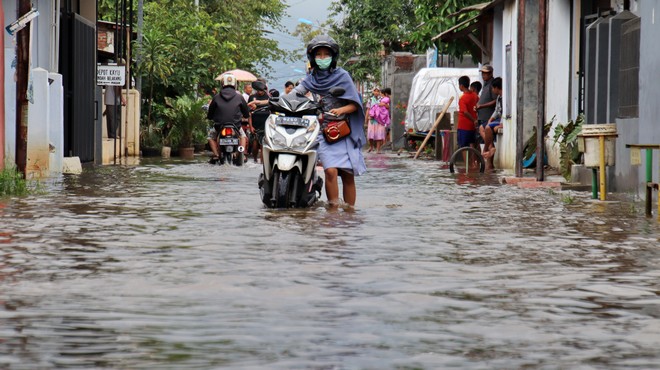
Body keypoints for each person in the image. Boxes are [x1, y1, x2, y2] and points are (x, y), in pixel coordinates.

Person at [292, 35, 366, 207]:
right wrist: (274, 102)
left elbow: (355, 105)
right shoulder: (310, 79)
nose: (323, 58)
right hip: (323, 133)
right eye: (319, 54)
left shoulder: (343, 76)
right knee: (330, 171)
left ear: (333, 57)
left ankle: (349, 213)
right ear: (313, 57)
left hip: (343, 132)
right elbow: (295, 93)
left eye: (327, 54)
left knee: (348, 174)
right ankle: (332, 210)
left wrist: (341, 109)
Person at [206, 73, 250, 163]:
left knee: (210, 137)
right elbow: (246, 114)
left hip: (219, 126)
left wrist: (211, 117)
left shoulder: (216, 97)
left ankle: (216, 154)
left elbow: (210, 114)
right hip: (236, 126)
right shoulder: (239, 97)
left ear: (222, 84)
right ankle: (241, 154)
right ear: (235, 84)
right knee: (243, 137)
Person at [480, 77, 503, 169]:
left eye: (493, 88)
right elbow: (497, 111)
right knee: (482, 128)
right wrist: (491, 118)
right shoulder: (499, 98)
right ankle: (490, 148)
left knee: (488, 128)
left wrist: (501, 123)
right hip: (497, 119)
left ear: (497, 88)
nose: (493, 90)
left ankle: (486, 149)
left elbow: (504, 112)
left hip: (502, 120)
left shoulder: (505, 97)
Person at [247, 81, 270, 163]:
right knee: (255, 145)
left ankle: (262, 163)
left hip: (265, 124)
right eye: (259, 90)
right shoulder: (252, 97)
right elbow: (249, 113)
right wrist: (250, 126)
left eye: (262, 90)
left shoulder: (268, 98)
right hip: (255, 124)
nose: (260, 92)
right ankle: (255, 160)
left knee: (263, 144)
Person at [475, 64, 497, 149]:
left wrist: (482, 106)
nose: (483, 75)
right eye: (482, 73)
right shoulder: (485, 84)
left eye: (486, 73)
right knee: (483, 141)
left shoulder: (492, 84)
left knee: (487, 140)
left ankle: (491, 150)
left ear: (491, 73)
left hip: (488, 117)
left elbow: (496, 101)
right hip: (482, 116)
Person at [457, 76, 479, 151]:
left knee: (463, 147)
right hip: (473, 126)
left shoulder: (462, 98)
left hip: (464, 126)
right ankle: (474, 162)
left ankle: (468, 163)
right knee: (473, 144)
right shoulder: (475, 95)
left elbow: (465, 112)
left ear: (461, 86)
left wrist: (474, 120)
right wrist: (475, 120)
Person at [104, 70, 127, 139]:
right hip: (114, 100)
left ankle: (111, 135)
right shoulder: (118, 73)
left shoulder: (109, 73)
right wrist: (122, 99)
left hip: (108, 99)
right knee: (115, 118)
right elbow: (117, 87)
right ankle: (113, 135)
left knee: (110, 119)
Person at [366, 87, 384, 153]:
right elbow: (368, 109)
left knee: (379, 134)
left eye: (378, 91)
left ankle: (378, 149)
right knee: (370, 134)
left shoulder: (382, 99)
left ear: (379, 92)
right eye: (375, 91)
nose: (376, 92)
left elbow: (385, 108)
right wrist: (366, 119)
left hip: (379, 120)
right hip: (371, 119)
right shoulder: (370, 100)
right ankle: (371, 147)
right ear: (373, 92)